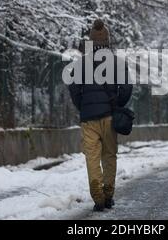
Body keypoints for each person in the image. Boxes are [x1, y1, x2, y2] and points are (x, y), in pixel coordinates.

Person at [68, 19, 133, 212]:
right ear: (107, 41)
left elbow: (73, 88)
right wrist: (118, 104)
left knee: (92, 157)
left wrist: (83, 106)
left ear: (90, 41)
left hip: (88, 119)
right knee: (109, 156)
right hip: (109, 118)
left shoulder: (80, 64)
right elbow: (127, 87)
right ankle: (108, 194)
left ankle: (98, 197)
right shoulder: (117, 62)